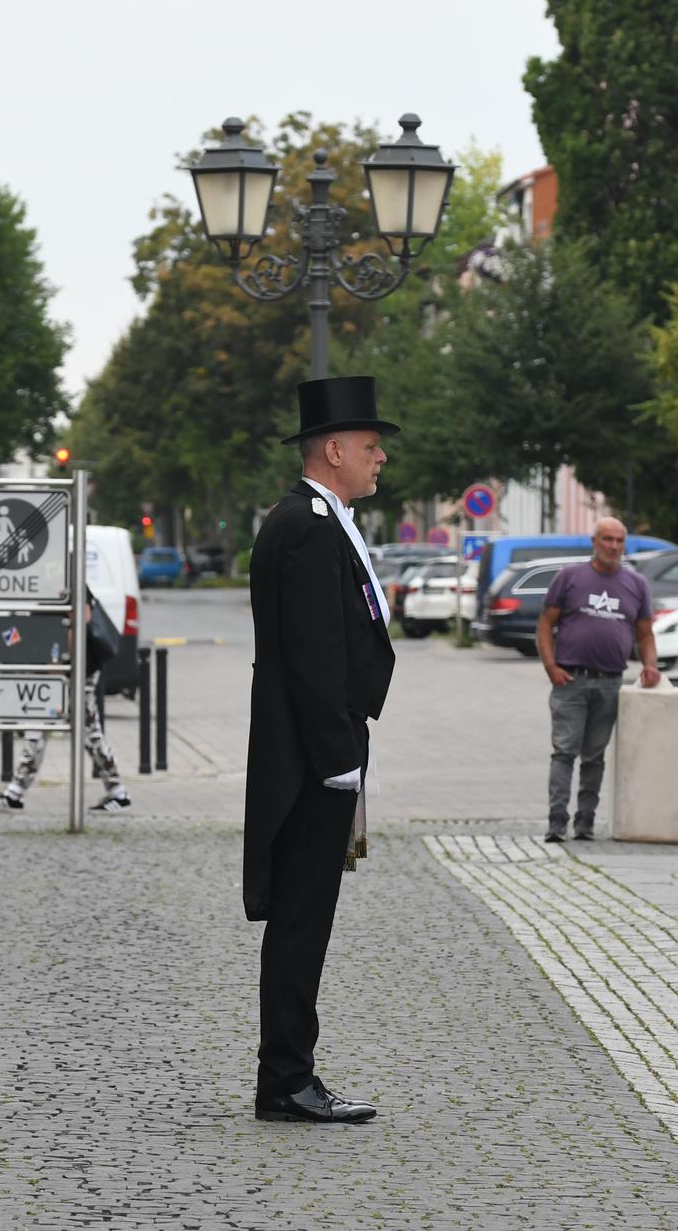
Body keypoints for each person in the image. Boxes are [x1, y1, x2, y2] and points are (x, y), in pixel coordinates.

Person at [244, 375, 396, 1125]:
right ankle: (288, 1080)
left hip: (317, 748)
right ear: (334, 450)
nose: (381, 459)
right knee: (303, 921)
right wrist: (340, 757)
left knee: (305, 919)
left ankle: (289, 1073)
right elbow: (311, 657)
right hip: (312, 756)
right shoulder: (306, 525)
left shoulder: (314, 517)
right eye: (371, 447)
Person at [533, 517, 659, 842]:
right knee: (564, 752)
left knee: (595, 756)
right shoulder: (570, 577)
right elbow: (546, 624)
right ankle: (556, 821)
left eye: (619, 541)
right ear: (594, 541)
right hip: (570, 680)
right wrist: (550, 666)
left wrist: (650, 664)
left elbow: (645, 633)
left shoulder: (636, 584)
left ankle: (585, 821)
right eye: (607, 539)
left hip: (610, 682)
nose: (613, 546)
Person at [0, 592, 132, 813]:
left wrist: (61, 661)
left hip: (73, 668)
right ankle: (15, 793)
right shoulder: (46, 579)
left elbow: (80, 618)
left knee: (82, 730)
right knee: (48, 726)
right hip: (62, 667)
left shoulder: (67, 577)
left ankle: (118, 791)